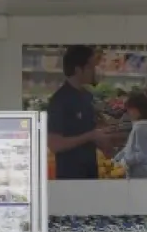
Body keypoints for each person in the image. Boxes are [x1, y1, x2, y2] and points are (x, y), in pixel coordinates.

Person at [47, 45, 113, 180]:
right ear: (78, 69)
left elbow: (90, 131)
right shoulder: (59, 100)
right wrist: (90, 136)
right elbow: (54, 144)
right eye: (90, 67)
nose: (94, 71)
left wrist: (104, 141)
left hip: (90, 174)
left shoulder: (87, 96)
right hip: (70, 178)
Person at [114, 92, 147, 179]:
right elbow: (130, 147)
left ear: (137, 110)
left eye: (129, 109)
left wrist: (125, 160)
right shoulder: (139, 126)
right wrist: (117, 158)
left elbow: (142, 155)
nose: (128, 112)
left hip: (140, 175)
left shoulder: (141, 129)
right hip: (135, 173)